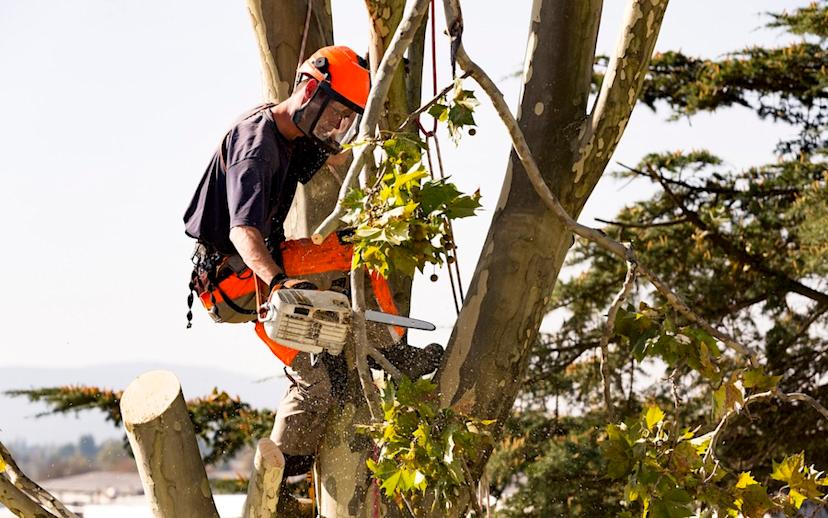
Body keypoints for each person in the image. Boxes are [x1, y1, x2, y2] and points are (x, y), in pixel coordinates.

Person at [182, 45, 441, 512]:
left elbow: (338, 158)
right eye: (336, 114)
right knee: (316, 381)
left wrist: (389, 134)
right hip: (235, 280)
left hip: (263, 266)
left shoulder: (292, 135)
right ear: (308, 90)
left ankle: (386, 346)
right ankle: (287, 488)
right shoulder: (256, 147)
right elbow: (242, 231)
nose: (337, 127)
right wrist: (278, 282)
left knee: (354, 249)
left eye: (347, 118)